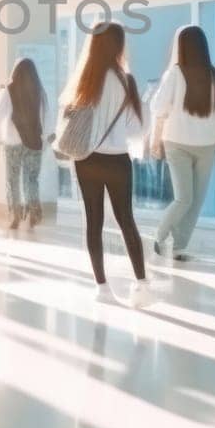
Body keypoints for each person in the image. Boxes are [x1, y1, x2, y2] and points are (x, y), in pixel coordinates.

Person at [63, 22, 152, 307]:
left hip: (86, 159)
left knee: (94, 222)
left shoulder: (83, 81)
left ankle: (102, 288)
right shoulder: (126, 81)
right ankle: (141, 284)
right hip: (116, 161)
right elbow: (138, 128)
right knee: (126, 221)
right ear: (119, 45)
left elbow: (68, 119)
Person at [148, 26, 215, 263]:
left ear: (181, 47)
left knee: (184, 198)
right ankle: (166, 239)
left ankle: (170, 242)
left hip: (177, 142)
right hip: (207, 143)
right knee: (192, 201)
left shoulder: (175, 74)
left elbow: (157, 108)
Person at [0, 57, 52, 231]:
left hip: (11, 143)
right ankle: (34, 210)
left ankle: (14, 215)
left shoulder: (7, 91)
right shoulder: (40, 92)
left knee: (12, 181)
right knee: (31, 180)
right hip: (34, 143)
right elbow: (47, 119)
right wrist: (47, 142)